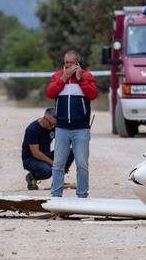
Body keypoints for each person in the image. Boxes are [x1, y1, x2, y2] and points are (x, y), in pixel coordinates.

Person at [46, 50, 98, 198]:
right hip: (62, 127)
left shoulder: (87, 76)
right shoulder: (57, 76)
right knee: (58, 164)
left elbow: (92, 94)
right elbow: (50, 93)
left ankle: (82, 196)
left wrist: (80, 79)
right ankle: (56, 196)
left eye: (71, 63)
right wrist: (63, 78)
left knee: (82, 164)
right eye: (66, 63)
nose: (68, 66)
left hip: (81, 128)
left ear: (77, 63)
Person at [22, 108, 74, 190]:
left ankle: (58, 181)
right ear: (45, 119)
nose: (53, 127)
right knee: (48, 171)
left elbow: (63, 140)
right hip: (31, 159)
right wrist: (53, 163)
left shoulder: (52, 125)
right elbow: (36, 153)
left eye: (55, 125)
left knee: (70, 152)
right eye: (51, 124)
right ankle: (31, 177)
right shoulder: (32, 129)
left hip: (46, 155)